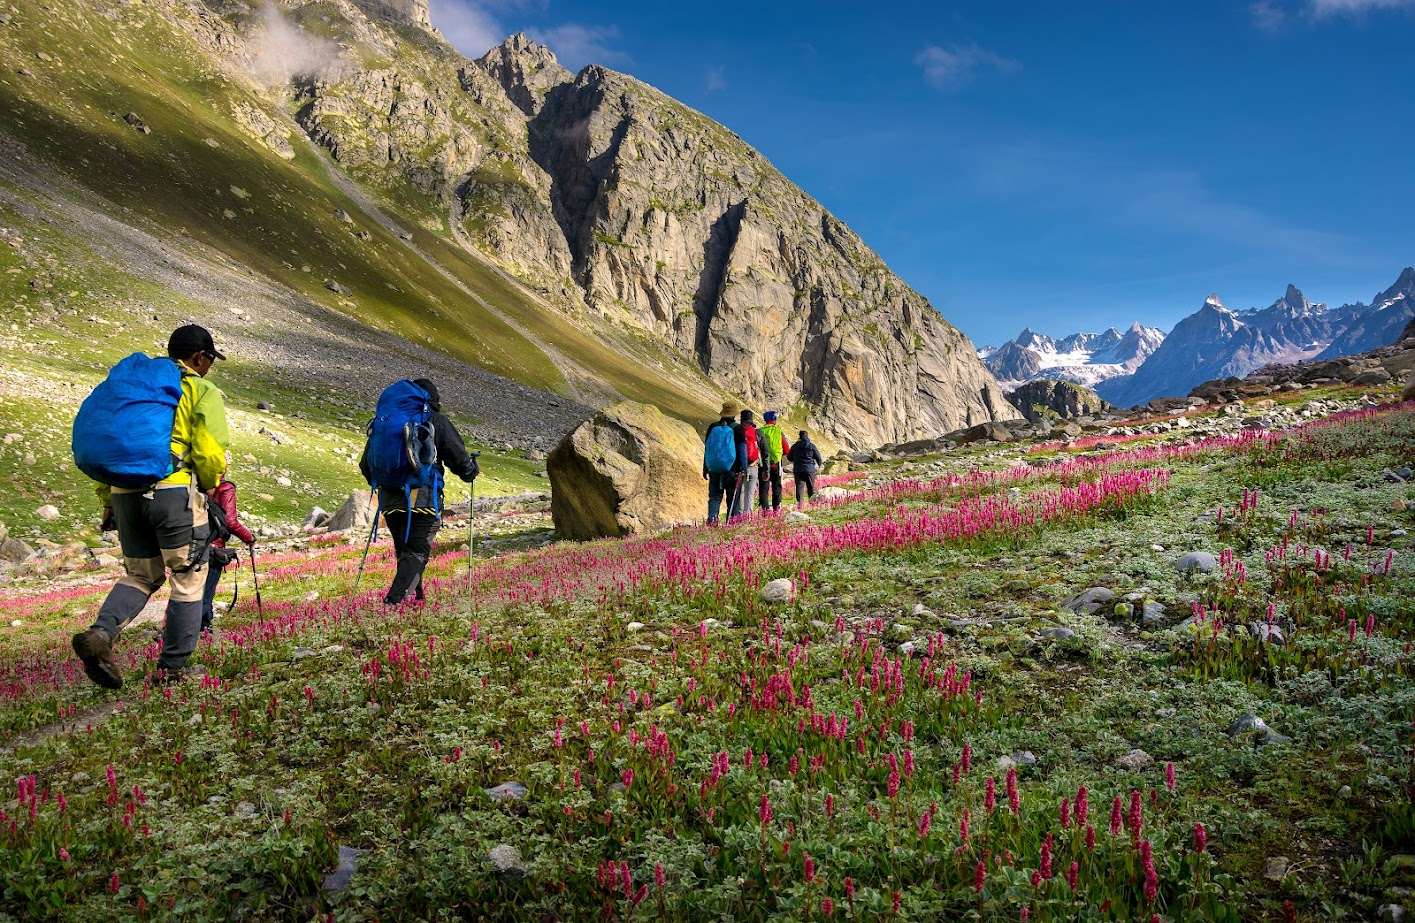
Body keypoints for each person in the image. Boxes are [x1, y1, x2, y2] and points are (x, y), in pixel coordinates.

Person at [72, 324, 230, 688]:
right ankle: (174, 668)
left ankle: (101, 634)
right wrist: (210, 487)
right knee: (189, 577)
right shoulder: (198, 388)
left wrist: (108, 501)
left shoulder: (136, 391)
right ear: (199, 357)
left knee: (141, 575)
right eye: (209, 360)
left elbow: (112, 449)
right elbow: (208, 449)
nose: (209, 367)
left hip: (124, 494)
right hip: (172, 494)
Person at [359, 378, 479, 605]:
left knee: (405, 552)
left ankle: (416, 602)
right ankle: (393, 604)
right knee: (416, 552)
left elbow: (366, 466)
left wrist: (390, 483)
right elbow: (461, 463)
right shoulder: (435, 421)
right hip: (423, 496)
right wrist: (471, 470)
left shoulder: (385, 423)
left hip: (391, 498)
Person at [201, 470, 255, 637]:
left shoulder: (192, 484)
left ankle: (177, 627)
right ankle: (202, 627)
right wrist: (249, 538)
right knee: (206, 590)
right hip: (213, 548)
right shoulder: (225, 488)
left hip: (189, 543)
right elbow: (230, 521)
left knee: (188, 587)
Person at [703, 401, 745, 524]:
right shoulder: (738, 428)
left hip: (715, 469)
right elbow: (742, 450)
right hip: (733, 470)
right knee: (733, 498)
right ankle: (731, 523)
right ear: (735, 414)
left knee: (715, 497)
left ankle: (712, 521)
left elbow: (708, 449)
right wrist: (743, 468)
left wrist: (705, 467)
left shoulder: (713, 427)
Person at [757, 411, 791, 512]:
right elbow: (786, 450)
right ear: (774, 420)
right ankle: (776, 510)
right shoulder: (779, 431)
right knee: (777, 487)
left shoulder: (759, 431)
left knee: (764, 488)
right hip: (776, 464)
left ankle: (765, 511)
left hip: (763, 464)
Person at [731, 409, 762, 518]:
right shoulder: (756, 432)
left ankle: (738, 517)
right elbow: (764, 450)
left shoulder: (737, 430)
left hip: (739, 466)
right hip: (753, 466)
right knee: (750, 493)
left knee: (740, 493)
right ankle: (748, 516)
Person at [787, 428, 824, 506]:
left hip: (798, 470)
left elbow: (789, 457)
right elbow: (818, 457)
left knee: (799, 488)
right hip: (810, 469)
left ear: (799, 436)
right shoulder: (811, 446)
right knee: (811, 487)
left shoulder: (795, 446)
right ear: (807, 436)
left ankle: (800, 504)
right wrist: (819, 464)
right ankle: (813, 504)